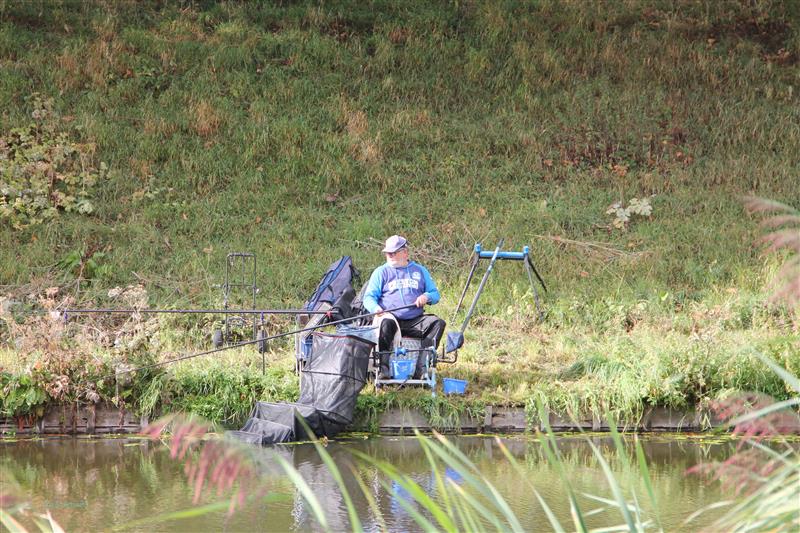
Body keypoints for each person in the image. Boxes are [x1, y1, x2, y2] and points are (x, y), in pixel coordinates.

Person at [363, 235, 446, 378]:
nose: (390, 255)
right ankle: (383, 369)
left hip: (415, 320)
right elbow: (368, 297)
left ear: (405, 252)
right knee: (384, 323)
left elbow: (435, 294)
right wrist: (375, 308)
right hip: (391, 319)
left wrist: (426, 297)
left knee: (438, 323)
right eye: (388, 253)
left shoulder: (420, 270)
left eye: (394, 252)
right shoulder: (380, 272)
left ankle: (422, 369)